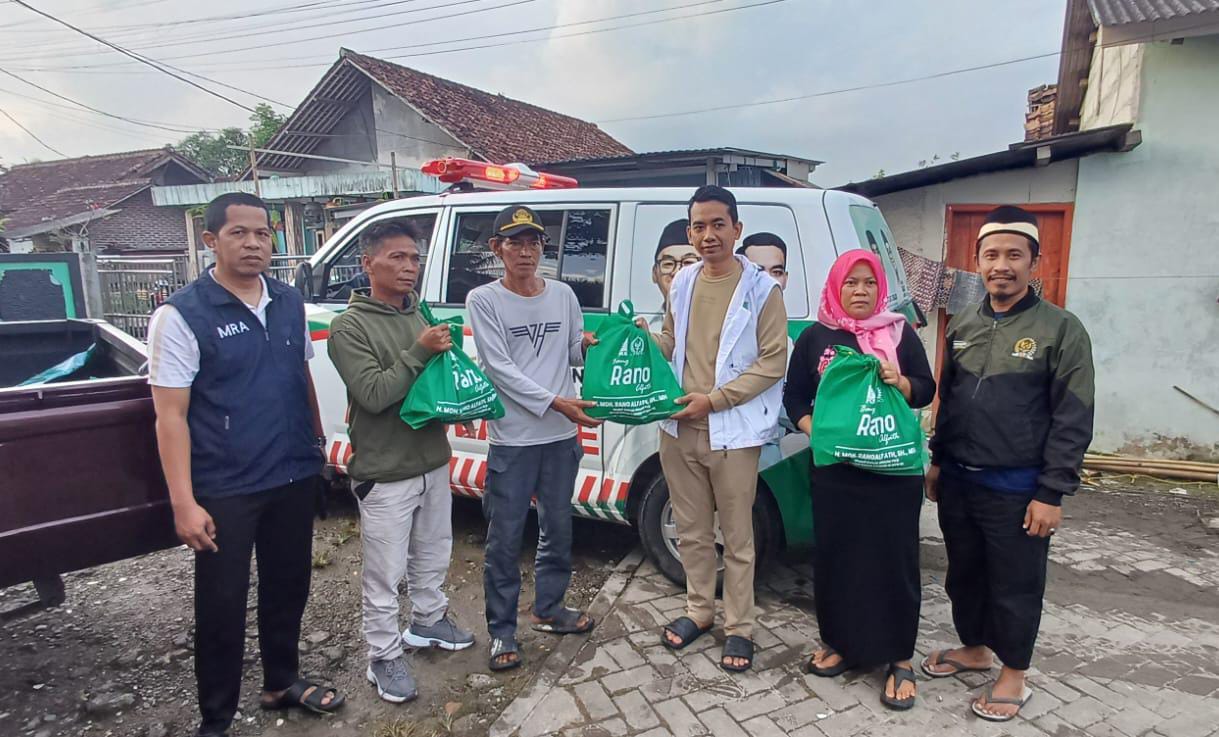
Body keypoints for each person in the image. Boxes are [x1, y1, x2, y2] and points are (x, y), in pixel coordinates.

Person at [147, 193, 343, 737]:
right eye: (239, 233)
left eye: (262, 232)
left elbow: (300, 375)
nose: (253, 243)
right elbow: (170, 416)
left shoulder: (286, 299)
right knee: (222, 604)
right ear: (211, 241)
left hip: (291, 471)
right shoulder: (182, 315)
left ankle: (281, 680)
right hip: (227, 486)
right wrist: (184, 502)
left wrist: (317, 442)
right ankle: (216, 719)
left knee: (289, 585)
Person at [922, 206, 1095, 722]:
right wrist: (937, 461)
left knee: (1015, 584)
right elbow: (948, 402)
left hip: (1019, 490)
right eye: (991, 254)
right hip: (958, 480)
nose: (1002, 265)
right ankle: (975, 649)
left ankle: (1014, 673)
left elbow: (1074, 417)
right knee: (965, 576)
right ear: (977, 261)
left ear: (1033, 262)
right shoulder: (967, 323)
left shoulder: (1061, 330)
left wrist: (1051, 492)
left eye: (1014, 255)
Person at [327, 220, 475, 705]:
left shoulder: (419, 314)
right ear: (367, 263)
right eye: (397, 257)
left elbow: (433, 385)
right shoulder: (349, 327)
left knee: (433, 553)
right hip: (386, 469)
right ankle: (383, 655)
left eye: (414, 258)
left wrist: (460, 408)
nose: (409, 266)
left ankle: (428, 621)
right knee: (384, 572)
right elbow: (372, 395)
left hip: (432, 459)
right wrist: (418, 351)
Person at [642, 185, 787, 673]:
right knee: (691, 530)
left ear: (736, 230)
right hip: (678, 428)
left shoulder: (761, 289)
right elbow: (671, 342)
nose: (708, 235)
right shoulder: (682, 283)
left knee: (738, 536)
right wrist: (636, 339)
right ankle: (699, 612)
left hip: (732, 432)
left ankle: (740, 627)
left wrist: (716, 400)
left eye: (718, 225)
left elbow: (773, 362)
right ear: (690, 232)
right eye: (699, 226)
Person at [783, 250, 935, 710]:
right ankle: (843, 644)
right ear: (835, 287)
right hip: (837, 474)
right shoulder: (814, 337)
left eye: (869, 283)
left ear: (880, 288)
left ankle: (899, 657)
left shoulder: (898, 332)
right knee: (837, 558)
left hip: (892, 472)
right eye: (851, 283)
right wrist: (819, 434)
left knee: (895, 560)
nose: (861, 291)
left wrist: (901, 381)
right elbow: (794, 398)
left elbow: (925, 389)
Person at [468, 205, 600, 673]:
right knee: (504, 538)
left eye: (534, 242)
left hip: (561, 436)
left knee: (558, 527)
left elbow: (569, 353)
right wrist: (555, 402)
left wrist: (592, 350)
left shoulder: (563, 294)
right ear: (497, 249)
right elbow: (500, 369)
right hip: (515, 438)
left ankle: (549, 608)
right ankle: (502, 631)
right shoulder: (484, 300)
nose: (525, 251)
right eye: (515, 242)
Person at [652, 218, 700, 308]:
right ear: (655, 273)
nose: (677, 272)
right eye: (668, 264)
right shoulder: (639, 320)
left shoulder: (724, 319)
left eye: (688, 262)